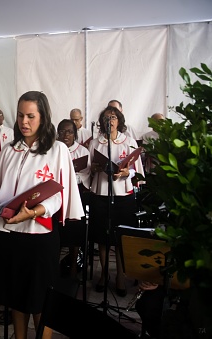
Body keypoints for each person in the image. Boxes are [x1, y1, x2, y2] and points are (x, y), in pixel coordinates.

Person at [0, 91, 84, 339]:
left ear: (43, 117)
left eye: (30, 116)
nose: (24, 122)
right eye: (20, 115)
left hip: (40, 237)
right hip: (10, 235)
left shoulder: (57, 150)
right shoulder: (9, 150)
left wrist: (33, 213)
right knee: (16, 298)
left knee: (40, 300)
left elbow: (59, 195)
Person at [88, 106, 145, 297]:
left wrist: (127, 172)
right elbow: (88, 169)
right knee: (102, 238)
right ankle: (104, 273)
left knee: (120, 238)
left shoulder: (128, 141)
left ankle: (120, 275)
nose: (109, 121)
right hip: (101, 194)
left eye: (113, 117)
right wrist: (95, 169)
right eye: (105, 117)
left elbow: (137, 170)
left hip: (123, 195)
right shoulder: (96, 142)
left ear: (119, 120)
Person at [56, 119, 91, 280]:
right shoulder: (53, 149)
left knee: (74, 231)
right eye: (62, 131)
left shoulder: (83, 151)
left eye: (69, 131)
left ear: (75, 134)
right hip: (57, 195)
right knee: (57, 230)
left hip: (76, 194)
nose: (65, 135)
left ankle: (73, 267)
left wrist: (68, 178)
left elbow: (85, 174)